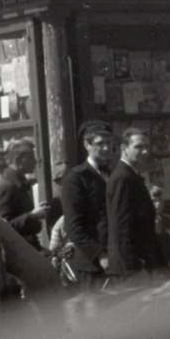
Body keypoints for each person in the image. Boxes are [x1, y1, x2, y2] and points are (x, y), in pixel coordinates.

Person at [105, 128, 162, 283]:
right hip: (132, 267)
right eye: (138, 147)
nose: (144, 152)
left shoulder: (131, 175)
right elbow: (121, 225)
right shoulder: (123, 177)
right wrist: (132, 266)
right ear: (124, 148)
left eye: (146, 147)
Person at [63, 121, 113, 290]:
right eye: (100, 144)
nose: (106, 148)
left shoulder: (112, 174)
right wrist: (100, 255)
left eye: (109, 143)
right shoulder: (76, 178)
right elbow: (74, 227)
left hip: (115, 258)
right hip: (91, 264)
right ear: (87, 145)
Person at [0, 138, 51, 249]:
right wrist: (32, 216)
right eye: (31, 157)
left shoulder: (19, 183)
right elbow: (0, 227)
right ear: (18, 160)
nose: (35, 161)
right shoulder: (7, 186)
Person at [148, 184, 170, 271]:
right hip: (156, 266)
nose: (158, 204)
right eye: (153, 201)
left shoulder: (168, 219)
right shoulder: (145, 222)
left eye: (160, 200)